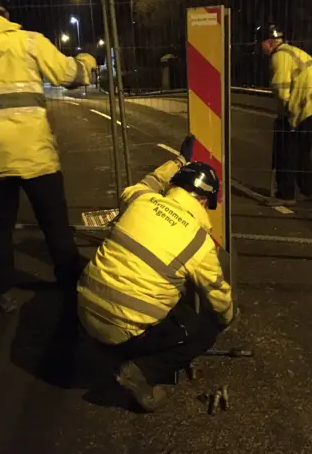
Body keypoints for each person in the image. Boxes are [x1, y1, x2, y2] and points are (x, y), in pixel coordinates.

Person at [0, 0, 97, 313]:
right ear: (6, 12)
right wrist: (86, 61)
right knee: (54, 221)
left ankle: (1, 290)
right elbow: (69, 75)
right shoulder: (29, 42)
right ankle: (69, 279)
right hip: (35, 153)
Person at [77, 135, 237, 412]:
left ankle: (105, 348)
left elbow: (148, 182)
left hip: (83, 314)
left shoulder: (141, 200)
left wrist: (178, 161)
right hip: (121, 331)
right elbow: (217, 296)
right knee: (205, 329)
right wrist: (228, 318)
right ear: (202, 201)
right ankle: (140, 371)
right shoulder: (198, 242)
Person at [261, 24, 312, 206]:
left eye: (262, 43)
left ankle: (286, 195)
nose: (260, 47)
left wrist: (283, 116)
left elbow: (281, 91)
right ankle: (311, 190)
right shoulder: (291, 51)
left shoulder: (279, 56)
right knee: (300, 150)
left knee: (289, 150)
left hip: (311, 107)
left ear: (270, 43)